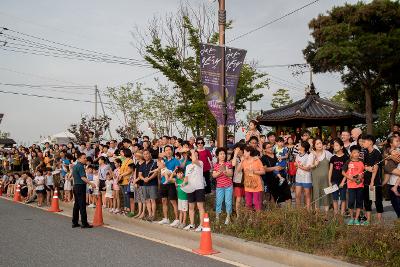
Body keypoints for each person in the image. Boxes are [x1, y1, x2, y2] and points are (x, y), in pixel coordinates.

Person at [181, 150, 206, 232]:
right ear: (190, 157)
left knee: (200, 207)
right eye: (193, 155)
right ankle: (192, 224)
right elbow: (186, 177)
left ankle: (201, 225)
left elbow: (195, 161)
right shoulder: (188, 166)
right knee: (191, 207)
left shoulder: (200, 163)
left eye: (197, 155)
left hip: (199, 188)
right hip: (190, 188)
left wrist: (192, 151)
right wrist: (183, 183)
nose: (196, 156)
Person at [261, 142, 292, 206]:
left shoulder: (276, 155)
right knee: (275, 198)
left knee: (288, 195)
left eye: (271, 146)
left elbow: (283, 165)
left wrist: (281, 167)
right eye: (268, 147)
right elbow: (265, 169)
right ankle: (275, 213)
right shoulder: (264, 158)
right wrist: (274, 168)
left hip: (282, 178)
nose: (270, 148)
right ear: (264, 150)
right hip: (272, 180)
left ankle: (289, 212)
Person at [362, 134, 383, 224]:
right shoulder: (365, 152)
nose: (363, 143)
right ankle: (368, 220)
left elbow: (376, 168)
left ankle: (379, 221)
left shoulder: (376, 153)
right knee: (367, 200)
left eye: (364, 141)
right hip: (366, 180)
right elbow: (364, 165)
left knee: (377, 201)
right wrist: (367, 168)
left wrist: (372, 182)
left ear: (370, 142)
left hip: (375, 181)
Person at [72, 153, 96, 228]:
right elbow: (83, 177)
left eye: (86, 158)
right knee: (82, 205)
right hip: (80, 186)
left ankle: (74, 222)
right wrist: (91, 183)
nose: (85, 159)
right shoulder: (80, 166)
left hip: (76, 186)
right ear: (79, 159)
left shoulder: (75, 166)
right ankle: (84, 223)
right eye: (84, 158)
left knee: (76, 205)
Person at [158, 145, 180, 226]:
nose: (168, 151)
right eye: (166, 150)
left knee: (173, 201)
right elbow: (160, 169)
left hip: (171, 183)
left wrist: (170, 174)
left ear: (172, 151)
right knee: (164, 201)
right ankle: (166, 218)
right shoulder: (163, 160)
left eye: (169, 150)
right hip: (163, 183)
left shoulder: (176, 160)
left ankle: (177, 219)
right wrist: (161, 159)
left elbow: (176, 171)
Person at [237, 146, 265, 211]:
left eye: (244, 152)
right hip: (248, 185)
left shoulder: (257, 160)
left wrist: (254, 171)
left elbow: (263, 172)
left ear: (249, 152)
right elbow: (238, 170)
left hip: (256, 185)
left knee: (256, 202)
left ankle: (258, 218)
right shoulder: (244, 161)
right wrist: (241, 161)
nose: (243, 154)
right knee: (248, 203)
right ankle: (250, 218)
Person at [342, 145, 365, 226]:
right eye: (354, 152)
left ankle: (357, 219)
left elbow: (364, 172)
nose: (356, 154)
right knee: (351, 202)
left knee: (359, 202)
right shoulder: (348, 162)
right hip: (351, 186)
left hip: (360, 186)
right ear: (351, 153)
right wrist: (350, 178)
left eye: (358, 152)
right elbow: (343, 172)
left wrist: (361, 176)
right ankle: (352, 218)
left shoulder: (362, 161)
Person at [309, 138, 333, 213]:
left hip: (326, 179)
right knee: (317, 195)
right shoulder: (311, 154)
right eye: (317, 144)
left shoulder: (328, 153)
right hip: (316, 179)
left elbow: (333, 164)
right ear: (314, 146)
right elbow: (309, 166)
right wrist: (314, 164)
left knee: (326, 195)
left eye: (320, 143)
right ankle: (317, 214)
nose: (319, 145)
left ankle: (326, 215)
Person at [212, 147, 233, 224]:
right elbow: (214, 176)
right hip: (219, 186)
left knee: (228, 201)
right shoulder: (216, 165)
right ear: (217, 156)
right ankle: (217, 217)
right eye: (221, 154)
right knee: (218, 202)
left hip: (228, 186)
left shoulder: (228, 163)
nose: (223, 155)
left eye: (224, 154)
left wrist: (225, 171)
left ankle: (228, 217)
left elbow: (231, 174)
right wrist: (220, 172)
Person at [328, 138, 349, 215]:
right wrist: (329, 181)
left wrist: (343, 182)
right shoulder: (333, 158)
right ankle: (335, 213)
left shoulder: (346, 158)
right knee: (335, 198)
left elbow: (347, 171)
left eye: (337, 145)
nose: (335, 147)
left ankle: (342, 213)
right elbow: (330, 170)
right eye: (334, 145)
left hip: (343, 181)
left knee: (343, 198)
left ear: (341, 147)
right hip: (334, 180)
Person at [139, 150, 158, 221]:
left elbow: (156, 173)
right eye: (144, 154)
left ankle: (153, 215)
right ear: (143, 156)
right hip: (144, 184)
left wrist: (149, 178)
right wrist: (144, 179)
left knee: (152, 200)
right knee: (147, 200)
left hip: (152, 184)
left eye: (147, 154)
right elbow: (140, 175)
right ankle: (149, 214)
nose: (146, 155)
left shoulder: (154, 163)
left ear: (150, 154)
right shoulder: (142, 164)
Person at [294, 141, 312, 210]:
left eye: (300, 145)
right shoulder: (298, 155)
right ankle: (298, 211)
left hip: (306, 178)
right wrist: (297, 166)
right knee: (297, 194)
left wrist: (298, 166)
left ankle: (307, 211)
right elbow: (296, 165)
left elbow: (307, 169)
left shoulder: (308, 156)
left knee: (307, 195)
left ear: (303, 148)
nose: (298, 146)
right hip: (298, 177)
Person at [231, 144, 245, 218]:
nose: (238, 151)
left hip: (246, 181)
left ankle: (245, 214)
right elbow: (233, 164)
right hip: (238, 181)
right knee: (238, 199)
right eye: (236, 150)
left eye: (239, 150)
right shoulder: (235, 159)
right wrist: (235, 154)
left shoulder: (246, 157)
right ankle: (238, 215)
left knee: (246, 199)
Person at [119, 149, 134, 214]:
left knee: (127, 195)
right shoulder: (124, 160)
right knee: (124, 195)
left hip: (127, 180)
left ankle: (128, 208)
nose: (121, 154)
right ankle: (125, 207)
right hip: (122, 180)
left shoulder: (130, 160)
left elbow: (129, 170)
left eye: (121, 152)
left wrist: (122, 175)